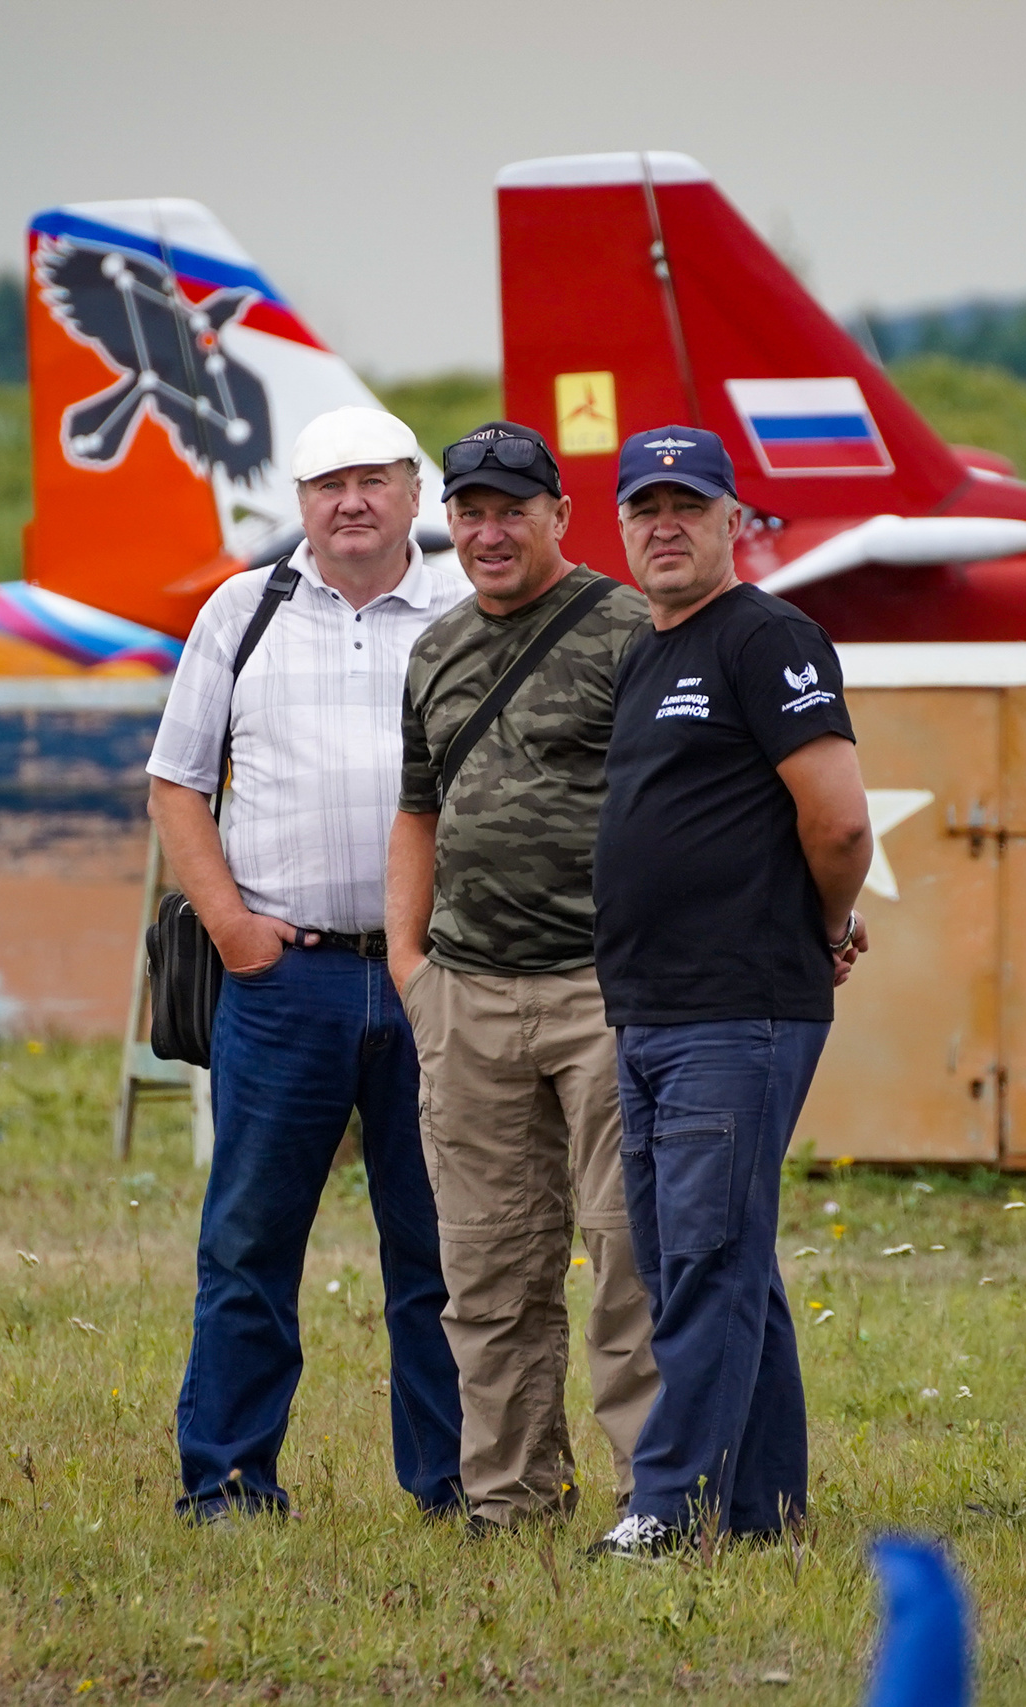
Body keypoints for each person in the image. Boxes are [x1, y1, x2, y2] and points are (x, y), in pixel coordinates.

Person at [145, 406, 467, 1523]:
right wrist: (233, 928)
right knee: (249, 1241)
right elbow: (177, 785)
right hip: (288, 983)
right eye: (328, 483)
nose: (352, 502)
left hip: (435, 980)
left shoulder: (468, 610)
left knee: (441, 1250)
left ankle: (456, 1486)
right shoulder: (245, 609)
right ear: (300, 503)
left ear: (413, 494)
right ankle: (228, 1484)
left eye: (374, 480)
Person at [583, 425, 873, 1557]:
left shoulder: (768, 636)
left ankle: (667, 1507)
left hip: (735, 1006)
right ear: (619, 523)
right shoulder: (647, 651)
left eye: (687, 505)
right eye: (644, 506)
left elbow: (839, 816)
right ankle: (760, 1510)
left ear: (730, 520)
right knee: (709, 1265)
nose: (664, 525)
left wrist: (822, 923)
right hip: (648, 1008)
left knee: (704, 1258)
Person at [386, 421, 660, 1535]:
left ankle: (658, 1499)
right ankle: (511, 1500)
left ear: (560, 515)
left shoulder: (630, 632)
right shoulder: (435, 649)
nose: (489, 532)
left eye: (512, 509)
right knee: (489, 1270)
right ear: (448, 522)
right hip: (468, 996)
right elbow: (416, 813)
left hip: (607, 992)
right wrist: (411, 967)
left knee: (629, 1259)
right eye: (469, 512)